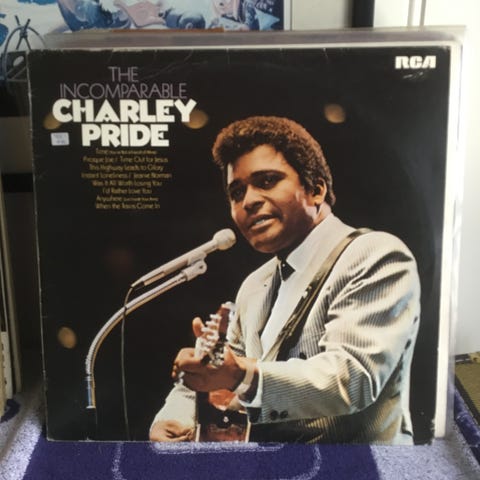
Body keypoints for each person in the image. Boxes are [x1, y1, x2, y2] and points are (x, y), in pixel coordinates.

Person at [149, 116, 420, 444]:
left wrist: (242, 375)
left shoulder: (376, 254)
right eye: (237, 192)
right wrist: (175, 415)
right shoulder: (255, 285)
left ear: (316, 189)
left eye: (266, 181)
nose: (248, 201)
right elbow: (219, 370)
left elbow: (352, 377)